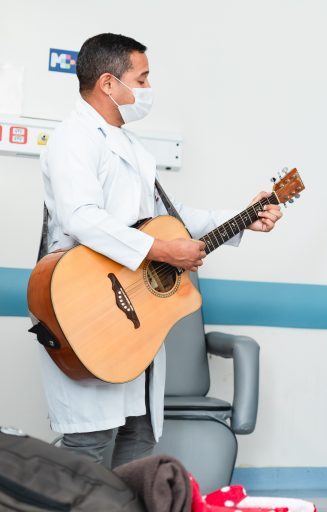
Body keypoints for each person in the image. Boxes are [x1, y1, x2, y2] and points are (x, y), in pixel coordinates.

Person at [37, 33, 283, 467]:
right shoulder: (73, 139)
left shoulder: (130, 147)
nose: (148, 89)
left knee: (137, 449)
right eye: (143, 78)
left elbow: (175, 219)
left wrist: (245, 215)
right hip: (89, 314)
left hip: (135, 324)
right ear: (110, 83)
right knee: (89, 454)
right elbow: (81, 217)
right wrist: (162, 251)